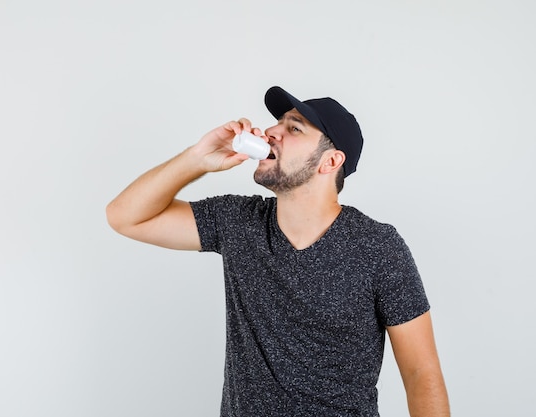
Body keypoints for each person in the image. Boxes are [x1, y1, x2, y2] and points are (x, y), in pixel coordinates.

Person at [106, 86, 450, 416]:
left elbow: (421, 372)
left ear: (329, 161)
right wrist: (198, 158)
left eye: (294, 128)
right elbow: (126, 217)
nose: (271, 131)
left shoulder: (378, 247)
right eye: (278, 122)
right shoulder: (238, 222)